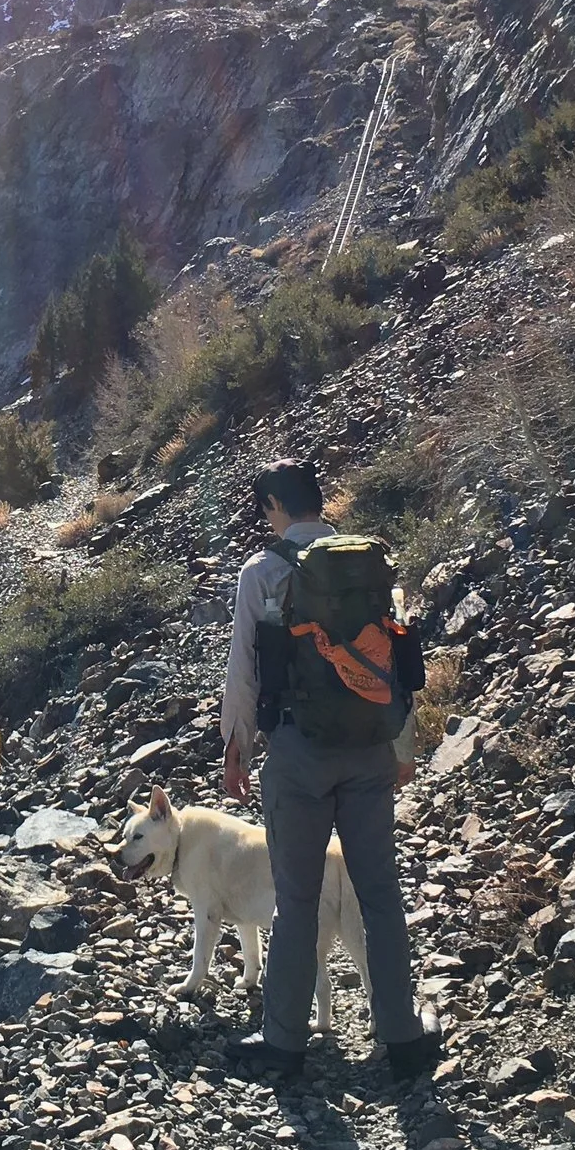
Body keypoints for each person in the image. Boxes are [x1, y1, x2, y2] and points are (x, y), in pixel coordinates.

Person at [219, 457, 436, 1084]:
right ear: (321, 501)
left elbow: (244, 673)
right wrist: (403, 747)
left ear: (272, 507)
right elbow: (394, 661)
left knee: (298, 898)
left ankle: (283, 1042)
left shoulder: (261, 572)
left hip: (296, 756)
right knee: (379, 892)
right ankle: (402, 1033)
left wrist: (235, 746)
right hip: (370, 747)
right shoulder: (369, 564)